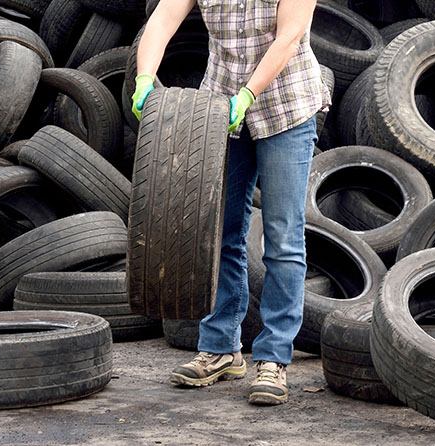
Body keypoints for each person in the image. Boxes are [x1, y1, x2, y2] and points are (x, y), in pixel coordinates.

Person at [131, 0, 329, 406]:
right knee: (219, 229)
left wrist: (248, 96)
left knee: (282, 236)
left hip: (285, 107)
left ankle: (273, 359)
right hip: (218, 109)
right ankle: (221, 347)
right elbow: (163, 19)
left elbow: (290, 36)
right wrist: (144, 77)